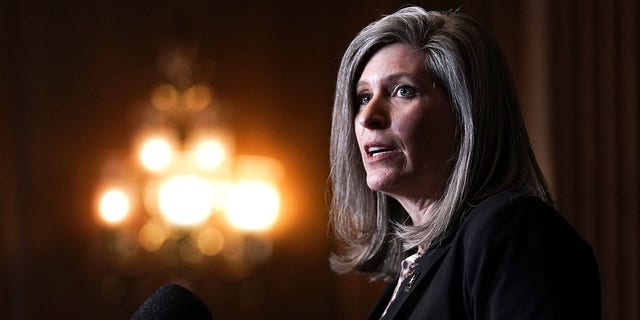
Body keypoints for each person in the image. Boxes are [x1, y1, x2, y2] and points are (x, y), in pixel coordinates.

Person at [328, 6, 601, 319]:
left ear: (466, 114)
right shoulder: (411, 270)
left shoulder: (515, 230)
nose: (368, 117)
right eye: (363, 97)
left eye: (403, 91)